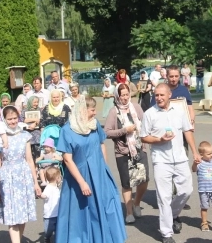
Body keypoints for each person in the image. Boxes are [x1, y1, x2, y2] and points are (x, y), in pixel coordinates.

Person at [56, 96, 127, 242]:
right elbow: (67, 160)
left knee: (105, 207)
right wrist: (82, 183)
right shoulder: (67, 130)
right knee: (81, 213)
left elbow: (102, 144)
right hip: (78, 176)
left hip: (99, 173)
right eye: (92, 110)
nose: (95, 113)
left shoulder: (94, 126)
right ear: (82, 110)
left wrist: (104, 168)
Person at [140, 83, 201, 243]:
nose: (158, 98)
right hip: (161, 161)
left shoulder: (180, 111)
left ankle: (173, 214)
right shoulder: (149, 114)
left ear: (169, 95)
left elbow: (187, 131)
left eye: (162, 95)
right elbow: (144, 137)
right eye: (156, 95)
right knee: (164, 197)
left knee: (186, 190)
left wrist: (195, 152)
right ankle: (166, 233)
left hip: (180, 158)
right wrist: (159, 139)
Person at [105, 83, 149, 224]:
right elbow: (107, 132)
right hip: (122, 152)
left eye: (126, 94)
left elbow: (145, 124)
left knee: (144, 179)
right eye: (122, 95)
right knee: (126, 183)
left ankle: (136, 203)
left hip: (139, 149)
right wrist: (124, 130)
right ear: (117, 96)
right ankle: (129, 212)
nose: (125, 98)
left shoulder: (136, 107)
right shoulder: (114, 111)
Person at [0, 105, 42, 243]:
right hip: (7, 176)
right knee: (12, 216)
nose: (13, 121)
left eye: (15, 118)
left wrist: (35, 182)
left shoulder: (25, 135)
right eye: (9, 119)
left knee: (23, 215)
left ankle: (18, 240)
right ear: (4, 119)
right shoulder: (0, 136)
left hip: (24, 176)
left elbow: (29, 160)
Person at [191, 141, 212, 232]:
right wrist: (195, 163)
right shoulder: (200, 163)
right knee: (204, 207)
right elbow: (194, 170)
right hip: (203, 189)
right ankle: (204, 222)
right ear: (201, 154)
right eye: (208, 154)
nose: (211, 155)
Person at [40, 166, 61, 243]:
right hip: (49, 215)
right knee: (48, 230)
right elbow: (45, 195)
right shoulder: (48, 187)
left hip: (57, 213)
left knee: (57, 229)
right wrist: (40, 195)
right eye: (60, 177)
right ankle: (47, 237)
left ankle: (57, 239)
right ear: (57, 178)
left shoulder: (56, 187)